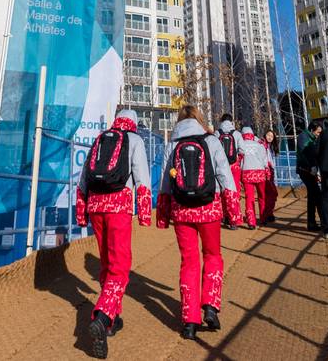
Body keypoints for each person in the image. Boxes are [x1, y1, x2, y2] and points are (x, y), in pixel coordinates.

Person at [157, 106, 242, 341]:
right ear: (199, 120)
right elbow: (225, 175)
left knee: (189, 262)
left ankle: (189, 321)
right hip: (210, 209)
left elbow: (165, 182)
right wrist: (234, 212)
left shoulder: (172, 144)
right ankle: (211, 306)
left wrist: (163, 216)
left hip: (182, 210)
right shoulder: (211, 141)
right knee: (213, 256)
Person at [75, 109, 152, 359]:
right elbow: (142, 178)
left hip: (95, 205)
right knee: (120, 265)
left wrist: (81, 211)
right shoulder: (135, 140)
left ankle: (112, 320)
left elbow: (84, 178)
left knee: (106, 264)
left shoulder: (101, 137)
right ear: (135, 123)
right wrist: (145, 212)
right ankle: (102, 315)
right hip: (118, 206)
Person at [215, 117, 245, 229]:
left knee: (222, 191)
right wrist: (237, 159)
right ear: (232, 121)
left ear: (221, 121)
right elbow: (242, 150)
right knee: (233, 192)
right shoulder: (236, 133)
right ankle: (234, 220)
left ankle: (224, 216)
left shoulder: (217, 133)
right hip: (234, 166)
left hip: (221, 166)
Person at [295, 121, 326, 232]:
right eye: (318, 132)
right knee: (316, 194)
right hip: (305, 170)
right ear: (312, 130)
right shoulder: (304, 137)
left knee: (313, 195)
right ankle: (322, 222)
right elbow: (305, 153)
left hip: (309, 170)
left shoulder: (311, 138)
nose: (318, 134)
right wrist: (312, 167)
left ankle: (313, 223)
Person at [238, 127, 269, 229]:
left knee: (249, 197)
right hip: (260, 172)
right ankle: (263, 218)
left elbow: (240, 162)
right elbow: (265, 160)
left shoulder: (241, 145)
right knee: (262, 195)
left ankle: (251, 221)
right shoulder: (259, 145)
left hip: (247, 173)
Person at [262, 129, 279, 224]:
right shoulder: (262, 145)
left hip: (270, 172)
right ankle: (268, 214)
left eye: (272, 136)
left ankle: (269, 213)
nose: (270, 137)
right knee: (271, 194)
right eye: (268, 135)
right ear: (265, 135)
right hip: (266, 172)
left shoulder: (270, 147)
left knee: (271, 195)